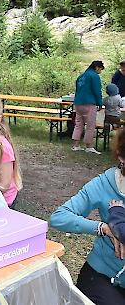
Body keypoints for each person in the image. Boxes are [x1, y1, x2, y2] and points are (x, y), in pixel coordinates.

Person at [50, 128, 125, 304]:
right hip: (103, 276)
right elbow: (59, 217)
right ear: (122, 156)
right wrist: (103, 228)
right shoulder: (103, 184)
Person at [72, 60, 104, 154]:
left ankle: (75, 145)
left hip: (78, 103)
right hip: (89, 103)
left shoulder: (81, 76)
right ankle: (89, 146)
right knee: (90, 125)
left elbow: (77, 90)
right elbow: (97, 91)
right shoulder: (94, 76)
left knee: (78, 124)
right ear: (97, 67)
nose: (100, 72)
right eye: (100, 69)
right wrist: (100, 103)